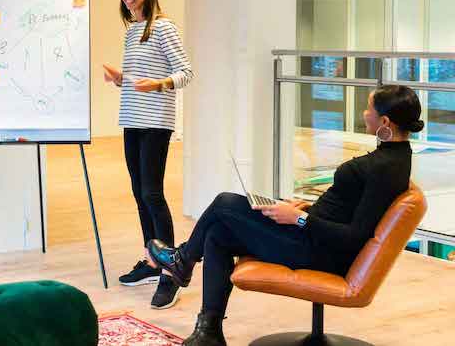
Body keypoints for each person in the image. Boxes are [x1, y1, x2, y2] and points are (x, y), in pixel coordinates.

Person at [145, 85, 424, 346]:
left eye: (369, 108)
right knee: (218, 234)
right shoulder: (395, 158)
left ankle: (183, 260)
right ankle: (208, 332)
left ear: (385, 122)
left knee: (225, 203)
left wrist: (298, 219)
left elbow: (354, 236)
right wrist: (304, 208)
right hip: (312, 235)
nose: (364, 113)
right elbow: (348, 207)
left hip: (319, 250)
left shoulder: (384, 167)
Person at [103, 0, 193, 309]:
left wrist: (160, 84)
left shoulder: (163, 27)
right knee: (139, 193)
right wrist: (121, 78)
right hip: (132, 118)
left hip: (156, 120)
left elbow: (186, 72)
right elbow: (141, 76)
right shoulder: (133, 30)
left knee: (153, 193)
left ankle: (172, 269)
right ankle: (153, 259)